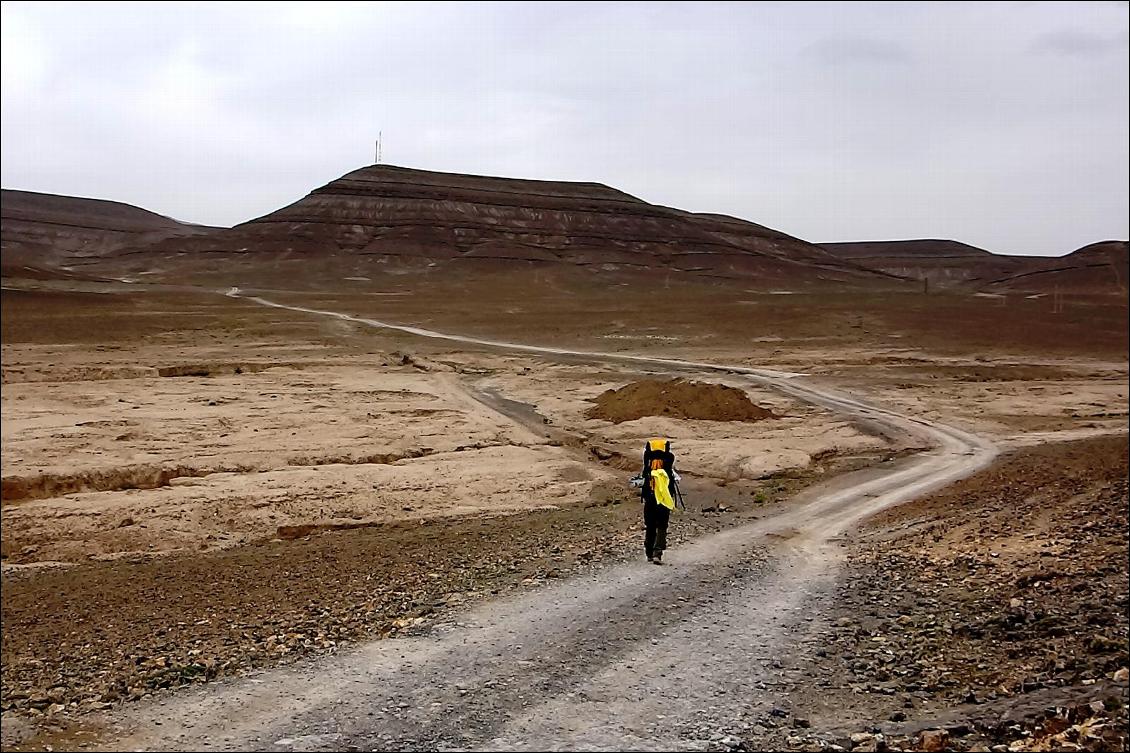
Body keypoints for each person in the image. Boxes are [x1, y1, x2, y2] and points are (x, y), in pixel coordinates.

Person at [639, 437, 678, 565]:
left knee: (650, 524)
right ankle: (658, 552)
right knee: (662, 525)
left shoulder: (647, 462)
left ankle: (649, 552)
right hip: (664, 499)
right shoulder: (669, 459)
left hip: (650, 498)